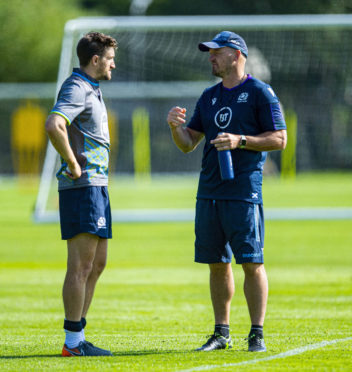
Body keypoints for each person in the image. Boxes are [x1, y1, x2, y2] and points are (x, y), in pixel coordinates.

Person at [167, 31, 287, 352]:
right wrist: (176, 128)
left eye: (216, 52)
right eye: (209, 52)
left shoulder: (260, 93)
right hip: (208, 193)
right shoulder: (209, 96)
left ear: (235, 55)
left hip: (243, 193)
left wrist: (241, 141)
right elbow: (188, 143)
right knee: (217, 263)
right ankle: (222, 333)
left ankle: (256, 334)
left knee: (252, 262)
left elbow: (279, 139)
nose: (210, 57)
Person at [45, 31, 117, 357]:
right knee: (80, 266)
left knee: (97, 264)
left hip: (97, 187)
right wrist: (72, 161)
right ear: (96, 59)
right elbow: (54, 124)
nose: (114, 65)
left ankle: (79, 335)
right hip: (82, 187)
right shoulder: (76, 87)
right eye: (110, 59)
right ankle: (72, 342)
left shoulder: (92, 89)